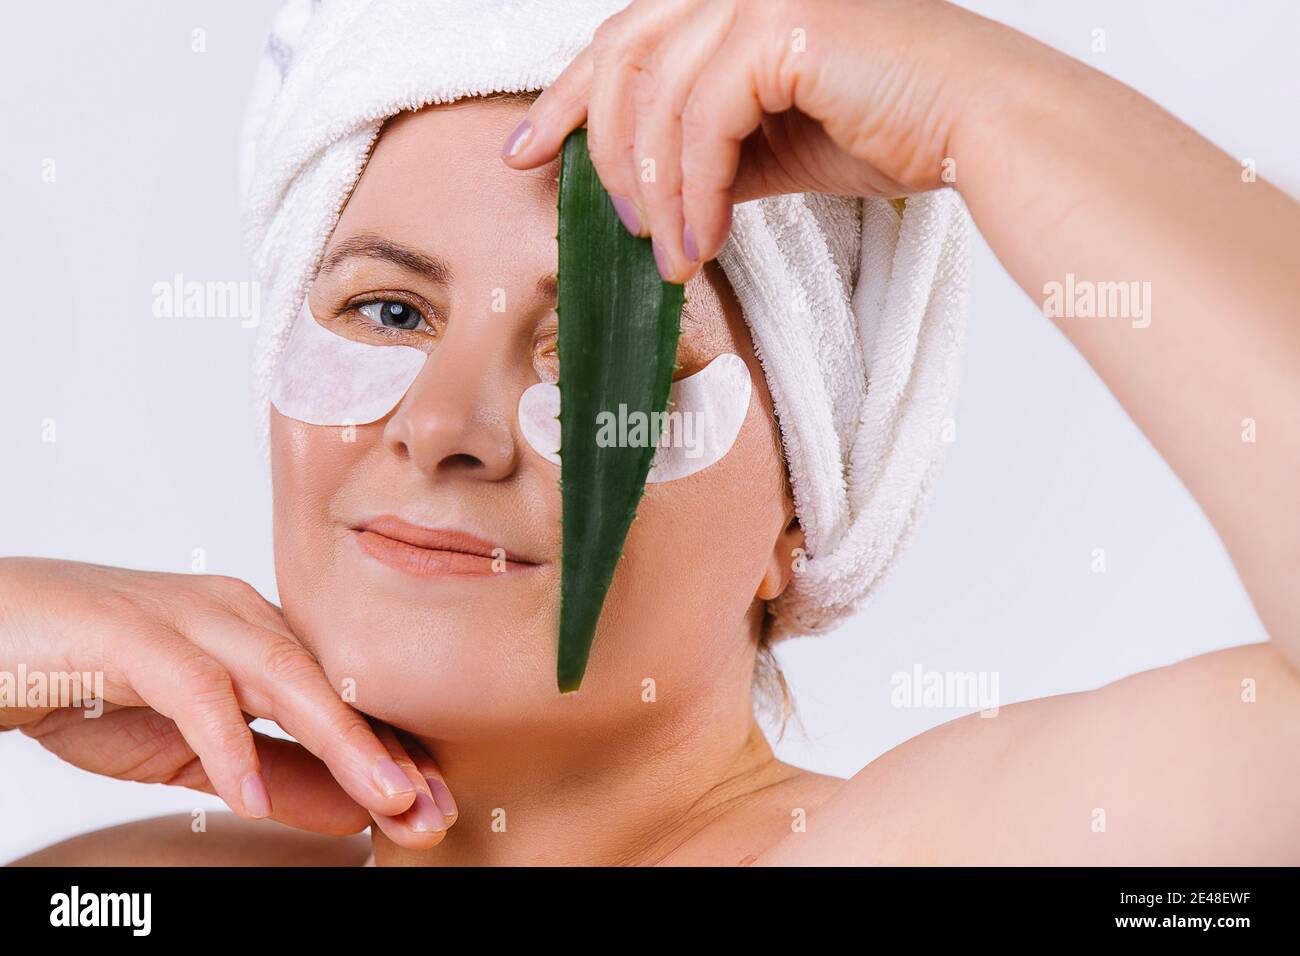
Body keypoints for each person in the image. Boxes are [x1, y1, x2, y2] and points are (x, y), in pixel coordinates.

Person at [6, 0, 1299, 866]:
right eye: (389, 307)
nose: (449, 430)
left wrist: (985, 103)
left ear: (805, 503)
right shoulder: (143, 871)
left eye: (596, 351)